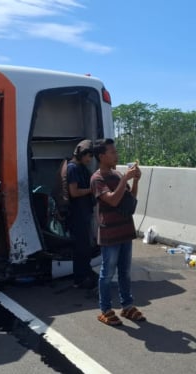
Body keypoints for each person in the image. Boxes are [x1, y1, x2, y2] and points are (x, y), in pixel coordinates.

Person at [90, 138, 145, 326]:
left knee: (125, 271)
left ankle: (127, 305)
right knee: (107, 273)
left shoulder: (117, 175)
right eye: (112, 152)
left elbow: (129, 200)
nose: (116, 155)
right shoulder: (97, 179)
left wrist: (135, 181)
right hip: (109, 234)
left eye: (116, 151)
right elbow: (112, 200)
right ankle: (105, 309)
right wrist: (125, 179)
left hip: (125, 230)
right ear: (101, 156)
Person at [67, 139, 97, 289]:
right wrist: (91, 190)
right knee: (81, 247)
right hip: (77, 214)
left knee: (85, 246)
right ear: (80, 154)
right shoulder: (73, 168)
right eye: (87, 155)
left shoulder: (81, 167)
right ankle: (80, 278)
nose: (89, 159)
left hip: (84, 212)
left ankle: (85, 273)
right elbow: (74, 192)